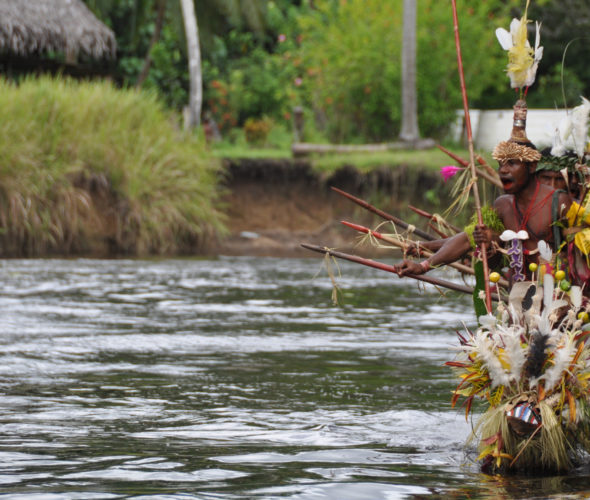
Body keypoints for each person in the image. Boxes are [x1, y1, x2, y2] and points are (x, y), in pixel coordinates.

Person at [397, 100, 572, 283]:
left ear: (532, 166)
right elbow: (468, 239)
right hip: (519, 292)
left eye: (512, 164)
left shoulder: (560, 202)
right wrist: (423, 266)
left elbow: (582, 249)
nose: (503, 170)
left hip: (557, 292)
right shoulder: (503, 205)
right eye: (501, 164)